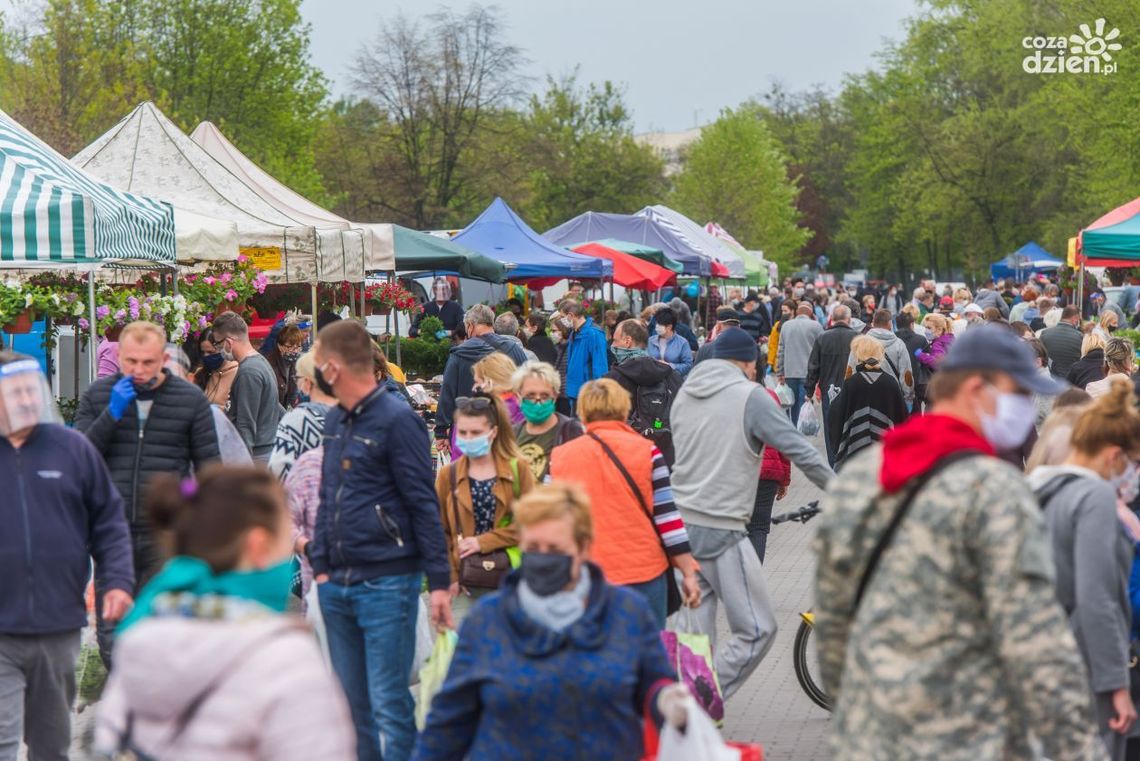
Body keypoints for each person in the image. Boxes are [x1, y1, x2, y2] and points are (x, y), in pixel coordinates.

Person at [812, 326, 1107, 760]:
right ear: (977, 389)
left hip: (870, 735)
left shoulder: (859, 479)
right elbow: (1036, 644)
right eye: (1019, 394)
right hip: (966, 736)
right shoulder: (994, 491)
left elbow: (832, 625)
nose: (1025, 408)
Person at [94, 465, 355, 760]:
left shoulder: (139, 636)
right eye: (284, 544)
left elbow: (108, 739)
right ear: (258, 547)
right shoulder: (285, 659)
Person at [412, 483, 688, 760]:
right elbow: (448, 724)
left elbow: (654, 683)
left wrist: (666, 699)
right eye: (533, 547)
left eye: (554, 549)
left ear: (583, 547)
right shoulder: (488, 621)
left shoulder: (626, 613)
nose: (543, 557)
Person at [307, 320, 453, 761]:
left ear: (332, 367)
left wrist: (440, 582)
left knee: (389, 701)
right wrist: (322, 567)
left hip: (388, 580)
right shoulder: (335, 420)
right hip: (338, 582)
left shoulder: (397, 419)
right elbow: (326, 494)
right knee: (352, 707)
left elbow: (423, 503)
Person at [671, 327, 834, 699]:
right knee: (759, 629)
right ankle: (694, 703)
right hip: (722, 527)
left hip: (680, 529)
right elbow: (801, 451)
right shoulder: (751, 396)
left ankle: (689, 732)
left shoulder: (685, 395)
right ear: (748, 363)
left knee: (695, 636)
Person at [0, 352, 134, 761]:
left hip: (58, 626)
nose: (25, 400)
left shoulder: (71, 449)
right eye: (13, 392)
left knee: (52, 744)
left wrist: (117, 582)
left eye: (30, 390)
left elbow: (109, 524)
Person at [74, 320, 220, 668]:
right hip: (112, 528)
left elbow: (209, 468)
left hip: (165, 530)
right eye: (131, 362)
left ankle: (154, 694)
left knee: (161, 619)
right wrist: (112, 413)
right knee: (114, 620)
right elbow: (80, 460)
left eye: (148, 362)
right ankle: (123, 683)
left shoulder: (189, 400)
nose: (139, 370)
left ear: (163, 358)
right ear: (118, 357)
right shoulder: (98, 395)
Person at [1026, 380, 1139, 760]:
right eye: (1133, 462)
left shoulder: (1040, 488)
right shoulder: (1095, 497)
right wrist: (1115, 684)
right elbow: (1098, 599)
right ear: (1112, 455)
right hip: (1086, 669)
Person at [549, 379, 700, 627]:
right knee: (644, 656)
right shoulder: (648, 451)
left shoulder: (560, 458)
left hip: (585, 576)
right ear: (624, 409)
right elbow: (668, 519)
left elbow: (549, 521)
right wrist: (688, 572)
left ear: (583, 412)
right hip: (644, 573)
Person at [436, 394, 536, 626]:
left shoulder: (517, 469)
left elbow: (533, 524)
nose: (468, 439)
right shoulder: (448, 475)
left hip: (510, 575)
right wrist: (448, 576)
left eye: (476, 433)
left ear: (492, 432)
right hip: (463, 579)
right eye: (462, 433)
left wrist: (484, 542)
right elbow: (440, 531)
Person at [435, 304, 527, 458]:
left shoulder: (459, 353)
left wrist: (441, 431)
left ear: (470, 326)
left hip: (468, 428)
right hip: (508, 425)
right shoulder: (513, 349)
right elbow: (526, 384)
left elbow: (448, 392)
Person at [606, 319, 684, 466]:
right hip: (666, 459)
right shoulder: (670, 375)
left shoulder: (612, 380)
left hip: (625, 460)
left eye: (615, 340)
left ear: (627, 341)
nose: (612, 345)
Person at [212, 312, 283, 463]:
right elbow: (276, 407)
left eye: (218, 344)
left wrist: (243, 465)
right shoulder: (260, 363)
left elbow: (245, 424)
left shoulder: (249, 372)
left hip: (256, 455)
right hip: (264, 451)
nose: (218, 350)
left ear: (229, 342)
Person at [828, 335, 908, 469]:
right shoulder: (890, 382)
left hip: (855, 452)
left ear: (858, 356)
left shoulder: (852, 383)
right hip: (884, 452)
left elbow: (836, 415)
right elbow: (902, 418)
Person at [805, 304, 859, 465]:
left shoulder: (822, 338)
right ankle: (849, 461)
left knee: (830, 429)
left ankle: (833, 462)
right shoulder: (857, 338)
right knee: (851, 426)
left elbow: (813, 366)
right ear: (849, 319)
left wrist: (809, 391)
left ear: (832, 319)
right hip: (852, 390)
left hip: (829, 390)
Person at [512, 361, 583, 482]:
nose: (538, 402)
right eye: (530, 395)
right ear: (518, 397)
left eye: (544, 396)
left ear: (555, 397)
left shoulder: (570, 432)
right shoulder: (512, 434)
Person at [269, 350, 333, 480]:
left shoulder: (297, 420)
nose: (296, 384)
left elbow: (277, 470)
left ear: (308, 382)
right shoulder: (351, 413)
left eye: (297, 378)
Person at [750, 385, 793, 563]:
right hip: (768, 473)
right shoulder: (770, 396)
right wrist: (784, 478)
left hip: (738, 473)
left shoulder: (725, 396)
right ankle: (753, 579)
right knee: (758, 528)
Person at [847, 309, 915, 408]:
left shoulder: (860, 343)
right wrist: (908, 397)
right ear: (890, 324)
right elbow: (906, 373)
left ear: (873, 323)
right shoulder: (898, 344)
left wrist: (849, 393)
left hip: (863, 394)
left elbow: (850, 370)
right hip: (892, 396)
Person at [776, 302, 824, 426]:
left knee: (790, 404)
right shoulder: (816, 326)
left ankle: (790, 428)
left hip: (790, 372)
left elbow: (781, 350)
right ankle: (800, 430)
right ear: (811, 313)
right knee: (804, 405)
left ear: (797, 312)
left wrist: (780, 371)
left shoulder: (786, 326)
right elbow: (822, 351)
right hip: (808, 373)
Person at [563, 301, 610, 412]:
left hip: (586, 392)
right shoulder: (575, 332)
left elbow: (600, 366)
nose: (561, 321)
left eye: (562, 316)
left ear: (570, 315)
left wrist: (599, 394)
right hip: (575, 390)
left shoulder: (594, 333)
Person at [472, 351, 525, 427]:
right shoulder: (523, 404)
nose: (474, 386)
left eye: (477, 382)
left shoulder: (492, 412)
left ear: (489, 382)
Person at [192, 330, 239, 410]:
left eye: (211, 352)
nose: (206, 356)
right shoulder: (200, 373)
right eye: (203, 352)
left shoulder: (238, 374)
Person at [895, 311, 930, 414]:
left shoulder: (893, 339)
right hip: (916, 385)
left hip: (896, 384)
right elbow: (927, 362)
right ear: (911, 324)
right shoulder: (921, 340)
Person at [265, 324, 304, 410]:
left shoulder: (296, 362)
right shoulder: (269, 365)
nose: (294, 351)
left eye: (298, 346)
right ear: (280, 346)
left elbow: (294, 394)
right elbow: (271, 399)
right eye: (290, 347)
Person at [648, 307, 693, 377]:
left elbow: (688, 366)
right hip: (653, 380)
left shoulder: (682, 343)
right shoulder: (650, 341)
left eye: (660, 324)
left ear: (669, 327)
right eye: (656, 323)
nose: (656, 327)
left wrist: (670, 366)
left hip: (674, 381)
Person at [1042, 306, 1085, 379]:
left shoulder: (1045, 334)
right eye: (1079, 319)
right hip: (1072, 380)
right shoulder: (1080, 337)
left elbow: (1040, 355)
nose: (1079, 322)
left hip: (1050, 379)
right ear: (1074, 318)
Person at [550, 315, 575, 416]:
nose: (552, 334)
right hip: (560, 392)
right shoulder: (559, 347)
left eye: (554, 330)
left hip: (566, 394)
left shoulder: (569, 347)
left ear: (563, 330)